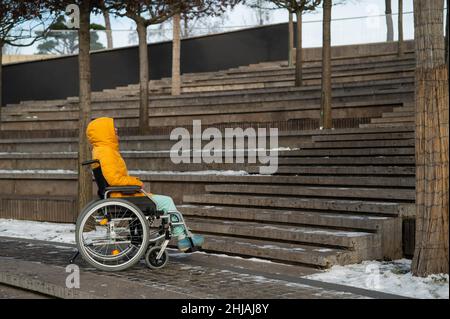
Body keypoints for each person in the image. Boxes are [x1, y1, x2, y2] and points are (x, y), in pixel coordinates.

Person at [86, 117, 204, 252]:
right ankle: (183, 238)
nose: (116, 130)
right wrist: (136, 182)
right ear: (104, 132)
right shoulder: (106, 152)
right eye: (112, 128)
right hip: (123, 196)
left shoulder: (101, 150)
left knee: (164, 202)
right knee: (167, 202)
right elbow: (115, 180)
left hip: (120, 195)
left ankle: (184, 235)